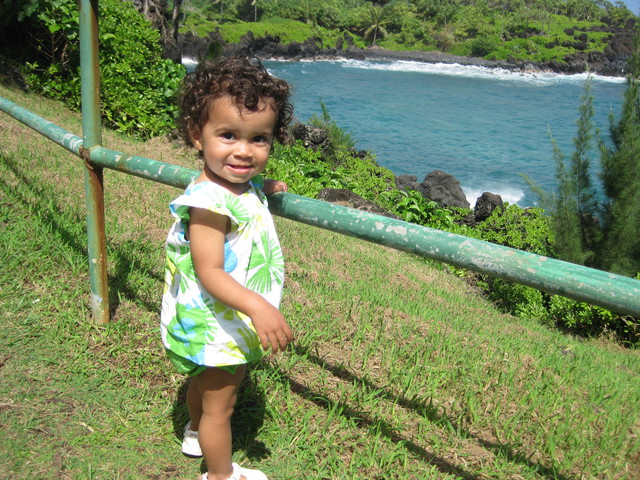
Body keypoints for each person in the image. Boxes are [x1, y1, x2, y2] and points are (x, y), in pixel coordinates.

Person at [160, 57, 294, 480]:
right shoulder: (209, 204)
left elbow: (238, 182)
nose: (244, 150)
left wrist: (259, 187)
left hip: (203, 320)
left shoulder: (228, 186)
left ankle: (195, 432)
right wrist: (259, 307)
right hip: (217, 321)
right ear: (195, 135)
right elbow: (210, 271)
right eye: (229, 135)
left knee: (202, 387)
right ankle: (220, 474)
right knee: (224, 406)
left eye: (259, 140)